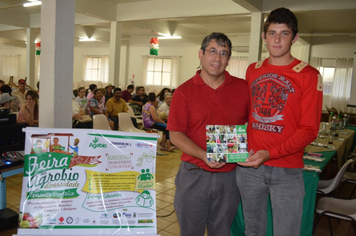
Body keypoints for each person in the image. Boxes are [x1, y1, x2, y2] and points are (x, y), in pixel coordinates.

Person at [235, 8, 323, 236]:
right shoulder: (252, 70)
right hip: (249, 168)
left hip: (287, 171)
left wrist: (270, 154)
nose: (276, 39)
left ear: (294, 37)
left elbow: (310, 130)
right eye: (272, 32)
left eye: (284, 33)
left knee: (287, 232)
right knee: (253, 231)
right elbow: (241, 116)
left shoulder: (309, 75)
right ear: (264, 36)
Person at [167, 32, 250, 236]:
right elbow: (175, 135)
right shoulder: (184, 92)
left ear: (228, 59)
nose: (217, 58)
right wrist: (204, 155)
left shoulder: (243, 88)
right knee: (190, 232)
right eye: (212, 51)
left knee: (221, 232)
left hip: (230, 177)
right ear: (201, 54)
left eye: (224, 53)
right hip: (194, 175)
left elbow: (254, 124)